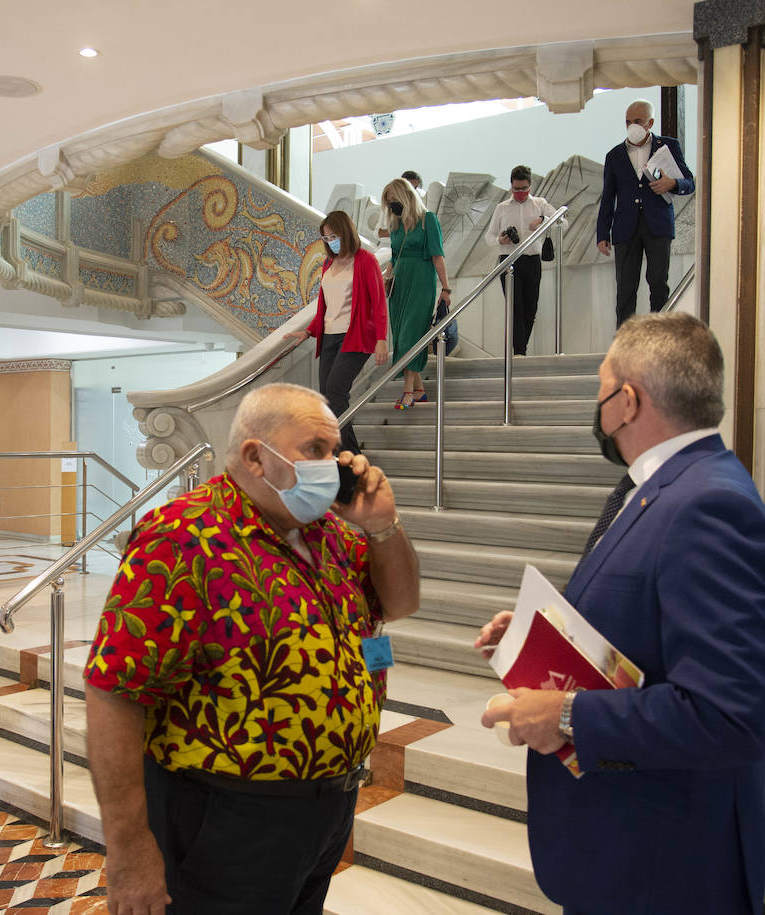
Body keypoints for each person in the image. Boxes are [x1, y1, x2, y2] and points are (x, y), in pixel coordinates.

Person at [475, 313, 765, 914]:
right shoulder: (660, 487)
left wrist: (564, 713)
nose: (599, 407)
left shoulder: (708, 504)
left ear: (628, 401)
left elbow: (728, 716)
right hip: (625, 850)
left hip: (664, 866)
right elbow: (648, 631)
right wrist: (541, 642)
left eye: (600, 389)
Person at [84, 382, 420, 915]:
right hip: (226, 820)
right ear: (255, 457)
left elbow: (400, 603)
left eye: (334, 451)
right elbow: (114, 692)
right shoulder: (183, 537)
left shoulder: (332, 534)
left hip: (328, 806)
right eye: (315, 450)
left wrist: (382, 526)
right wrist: (129, 849)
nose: (332, 465)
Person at [285, 210, 388, 453]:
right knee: (329, 399)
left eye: (334, 235)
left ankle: (348, 459)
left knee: (335, 391)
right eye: (326, 237)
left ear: (345, 232)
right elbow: (325, 303)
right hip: (329, 336)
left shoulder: (365, 260)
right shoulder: (328, 264)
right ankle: (352, 459)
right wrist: (309, 331)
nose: (330, 240)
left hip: (355, 336)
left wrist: (381, 338)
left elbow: (378, 302)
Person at [595, 99, 695, 327]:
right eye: (628, 122)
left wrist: (673, 184)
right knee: (625, 287)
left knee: (658, 282)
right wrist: (602, 233)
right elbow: (608, 196)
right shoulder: (614, 155)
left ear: (650, 122)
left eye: (637, 121)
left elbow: (689, 182)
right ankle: (624, 343)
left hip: (658, 225)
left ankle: (659, 338)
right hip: (625, 228)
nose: (632, 126)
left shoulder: (668, 146)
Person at [382, 177, 451, 409]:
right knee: (401, 335)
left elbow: (437, 256)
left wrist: (446, 288)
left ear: (406, 196)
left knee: (411, 334)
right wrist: (385, 278)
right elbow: (394, 257)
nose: (392, 205)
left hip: (421, 282)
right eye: (388, 201)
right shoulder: (395, 225)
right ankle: (419, 390)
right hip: (399, 285)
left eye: (394, 199)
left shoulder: (427, 220)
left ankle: (408, 391)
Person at [485, 165, 568, 355]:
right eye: (516, 189)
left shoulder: (540, 204)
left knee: (531, 309)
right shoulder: (502, 208)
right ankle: (519, 352)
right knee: (515, 308)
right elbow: (488, 237)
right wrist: (499, 239)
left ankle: (521, 349)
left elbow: (563, 221)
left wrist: (542, 219)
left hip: (532, 261)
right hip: (508, 261)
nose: (520, 193)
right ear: (511, 187)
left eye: (523, 189)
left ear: (530, 185)